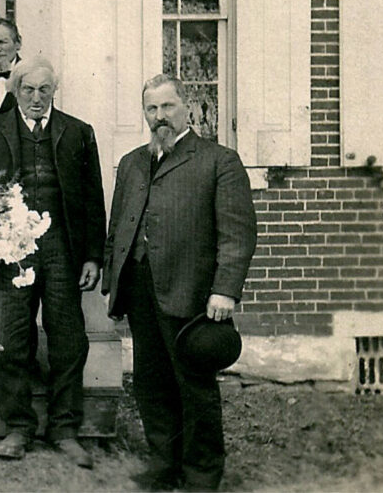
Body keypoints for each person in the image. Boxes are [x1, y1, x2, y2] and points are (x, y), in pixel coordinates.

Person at [103, 74, 256, 491]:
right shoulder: (133, 162)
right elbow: (119, 226)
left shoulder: (217, 161)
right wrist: (111, 277)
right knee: (151, 382)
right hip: (139, 289)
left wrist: (224, 289)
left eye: (167, 107)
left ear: (187, 105)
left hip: (190, 292)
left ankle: (202, 472)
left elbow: (237, 234)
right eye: (151, 109)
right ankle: (163, 462)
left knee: (193, 385)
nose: (159, 117)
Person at [0, 57, 106, 466]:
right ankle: (18, 427)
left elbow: (94, 200)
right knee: (9, 340)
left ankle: (64, 428)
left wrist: (93, 255)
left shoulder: (78, 132)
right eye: (28, 90)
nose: (37, 98)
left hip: (61, 247)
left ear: (54, 91)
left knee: (68, 340)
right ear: (15, 90)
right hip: (8, 252)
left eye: (44, 90)